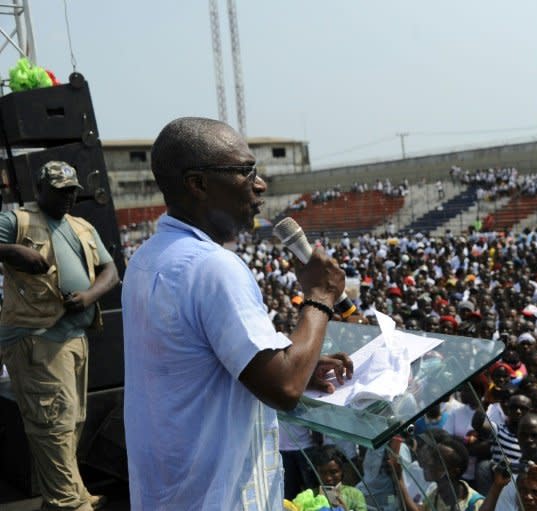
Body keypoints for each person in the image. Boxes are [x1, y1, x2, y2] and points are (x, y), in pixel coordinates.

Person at [122, 118, 352, 510]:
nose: (260, 184)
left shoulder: (148, 256)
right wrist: (319, 296)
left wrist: (298, 359)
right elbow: (284, 388)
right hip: (218, 496)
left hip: (172, 490)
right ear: (198, 184)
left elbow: (199, 360)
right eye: (246, 172)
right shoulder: (213, 266)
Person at [0, 160, 119, 511]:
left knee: (72, 421)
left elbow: (109, 270)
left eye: (72, 191)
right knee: (53, 424)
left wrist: (89, 296)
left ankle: (68, 495)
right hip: (37, 337)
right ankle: (68, 503)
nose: (68, 197)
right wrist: (12, 251)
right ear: (40, 190)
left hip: (73, 335)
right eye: (60, 191)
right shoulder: (17, 221)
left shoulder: (81, 226)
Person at [307, 445, 367, 511]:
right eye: (323, 473)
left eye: (333, 472)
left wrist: (343, 508)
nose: (328, 478)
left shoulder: (355, 495)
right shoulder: (310, 496)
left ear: (342, 470)